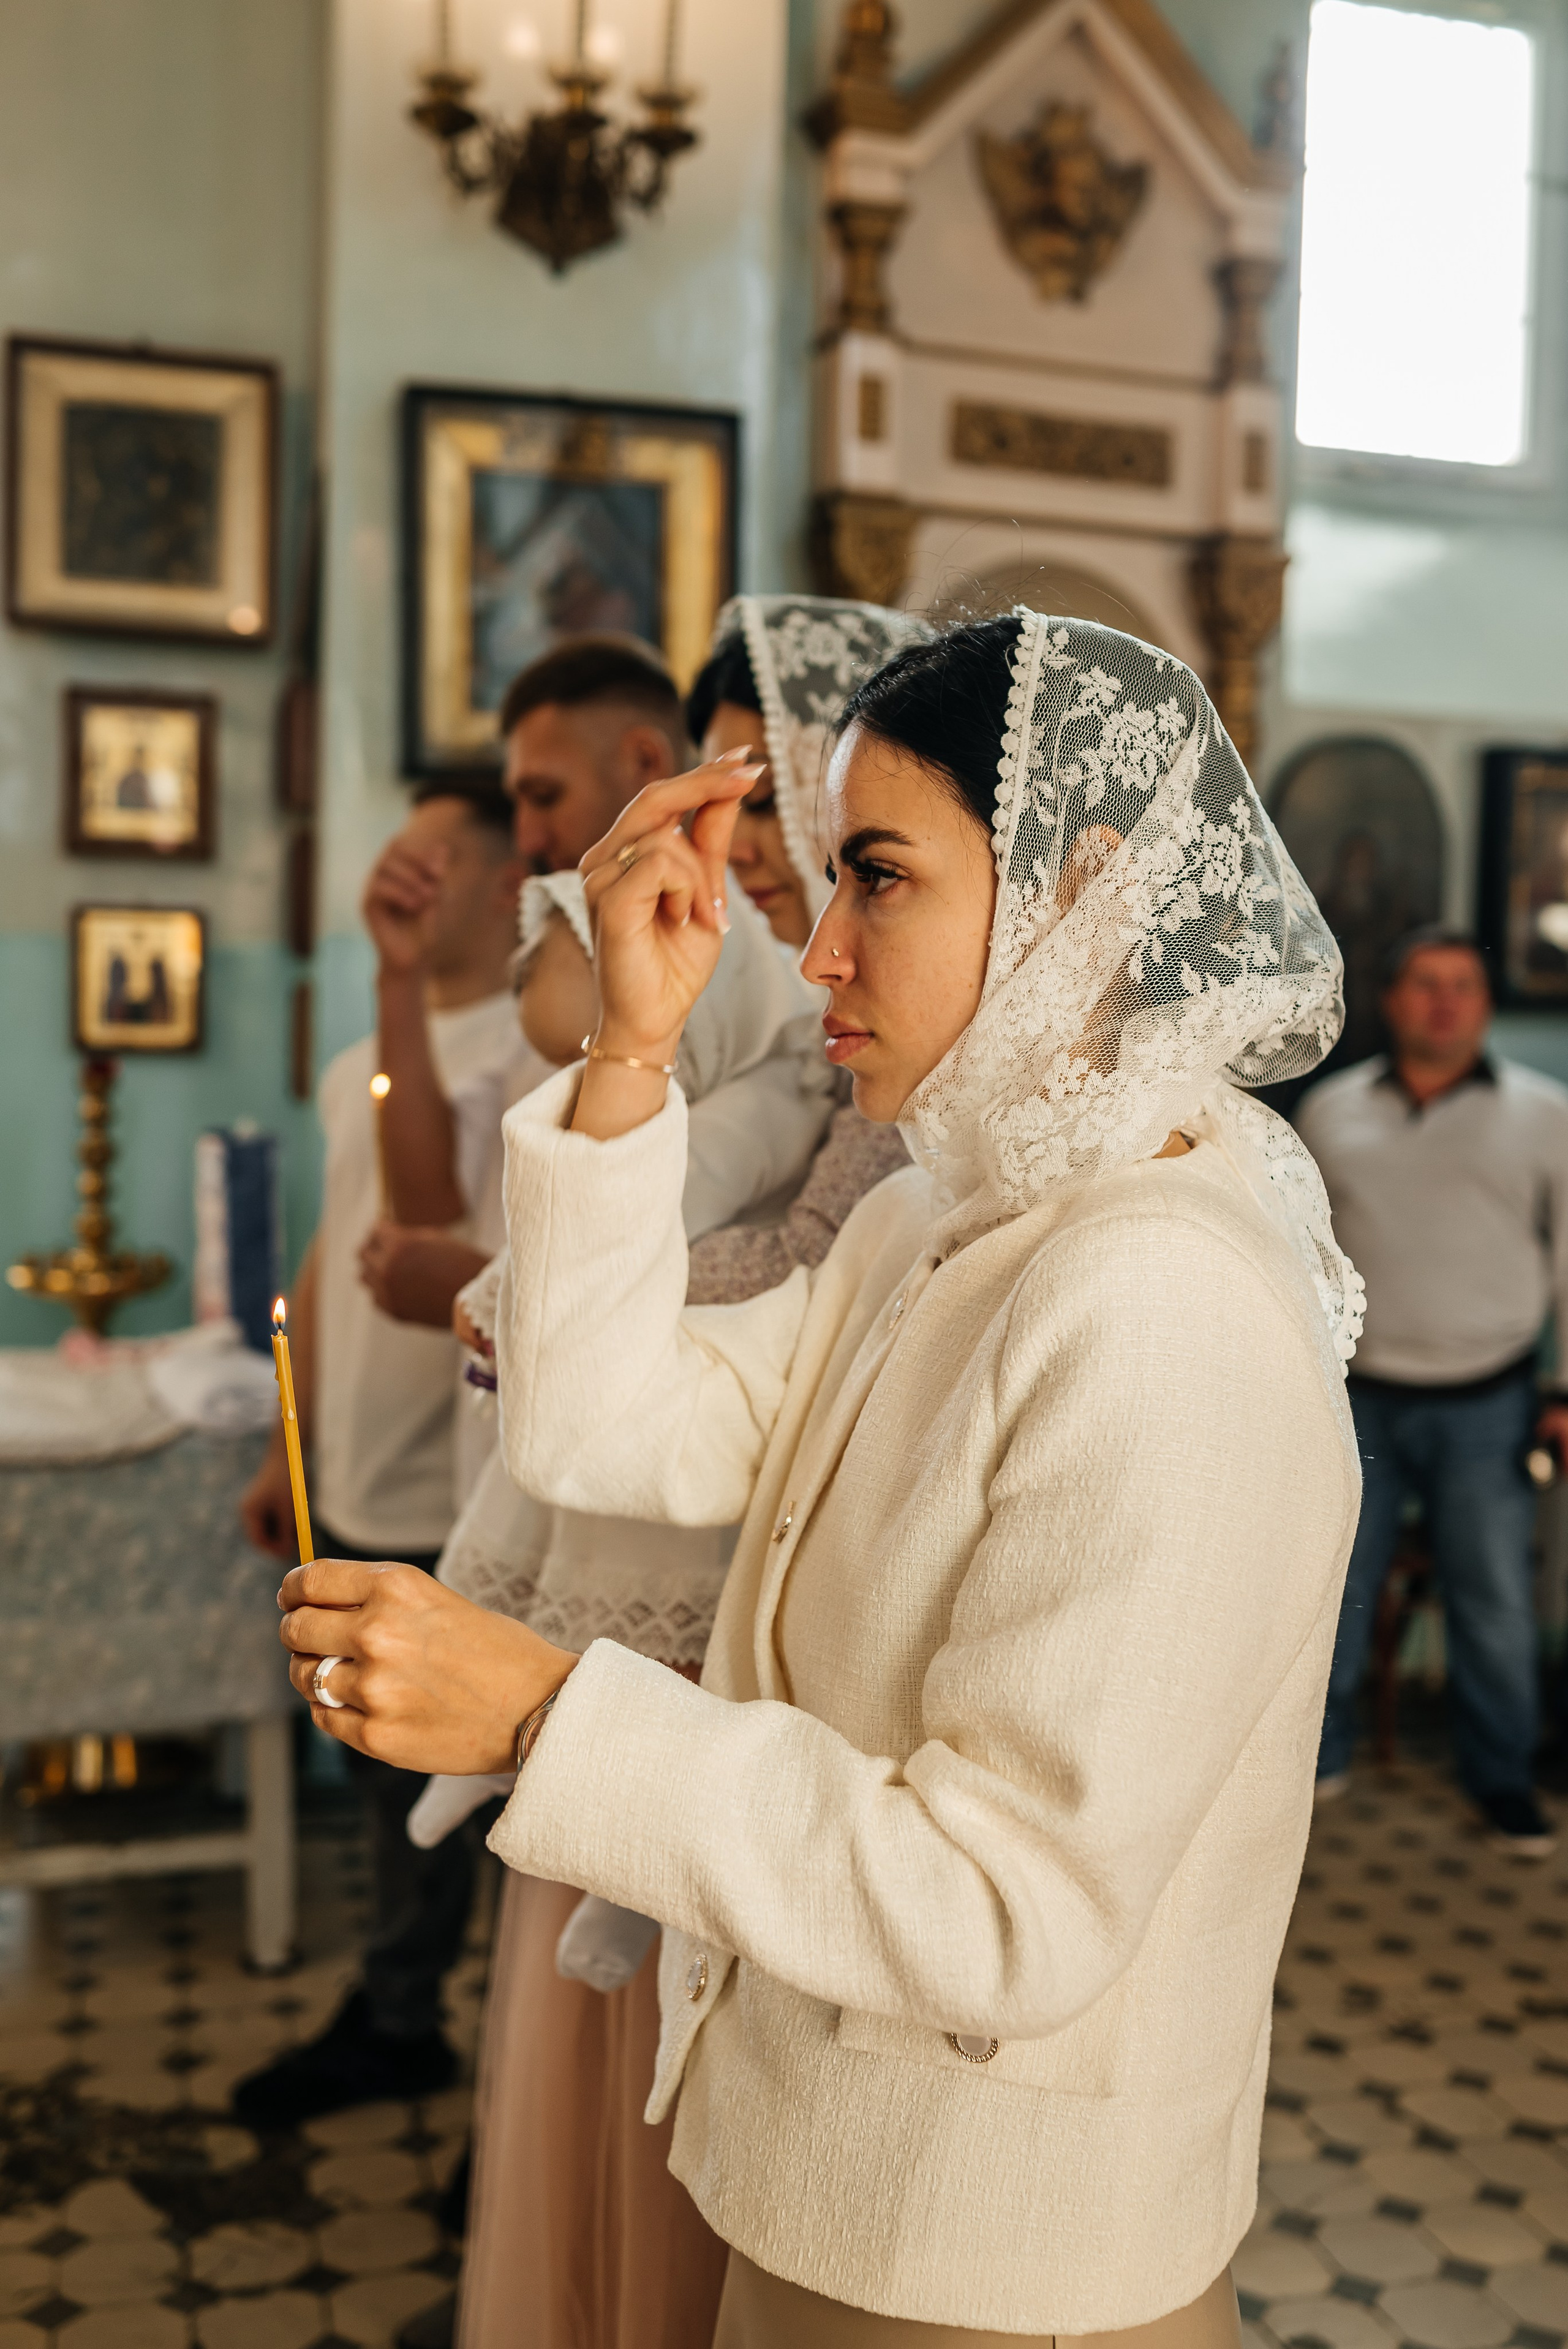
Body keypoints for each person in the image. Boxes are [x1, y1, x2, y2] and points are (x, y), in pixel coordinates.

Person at [280, 611, 1363, 2343]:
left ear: (1079, 887)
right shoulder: (940, 1213)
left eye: (879, 878)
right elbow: (602, 1420)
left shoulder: (1163, 1300)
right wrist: (629, 1046)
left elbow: (1013, 1905)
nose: (822, 951)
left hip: (994, 2265)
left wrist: (555, 1718)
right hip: (823, 2183)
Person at [236, 781, 535, 2127]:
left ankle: (498, 2067)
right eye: (395, 852)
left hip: (447, 1475)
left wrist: (397, 980)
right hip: (351, 1459)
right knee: (375, 1771)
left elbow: (426, 1209)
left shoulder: (521, 1047)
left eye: (435, 855)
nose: (403, 876)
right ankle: (401, 2010)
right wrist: (280, 1440)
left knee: (472, 1796)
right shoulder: (354, 1049)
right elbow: (331, 1242)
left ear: (498, 880)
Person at [1297, 927, 1568, 1855]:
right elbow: (1297, 1260)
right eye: (1426, 984)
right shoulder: (1330, 1113)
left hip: (1489, 1403)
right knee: (1334, 1588)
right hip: (1354, 1396)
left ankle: (1502, 1781)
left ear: (1485, 1005)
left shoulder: (1547, 1115)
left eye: (1464, 986)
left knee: (1492, 1601)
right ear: (1394, 999)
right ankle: (1312, 1763)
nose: (1445, 1002)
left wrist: (1563, 1391)